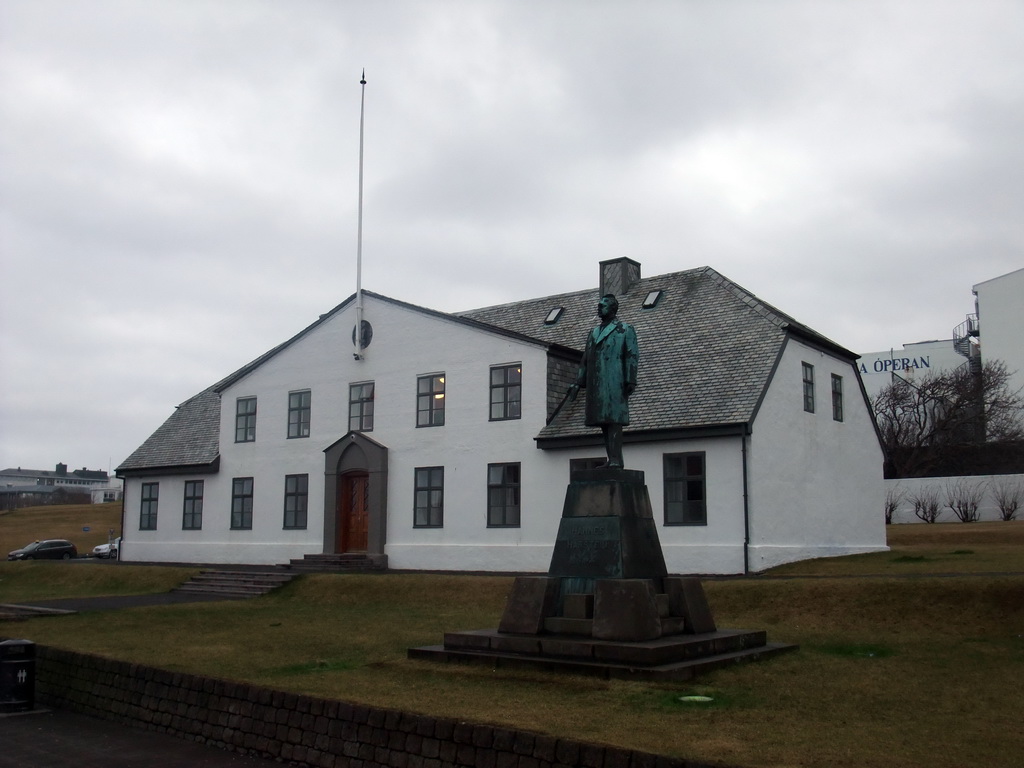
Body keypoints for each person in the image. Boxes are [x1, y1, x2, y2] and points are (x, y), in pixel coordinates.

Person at [568, 294, 638, 468]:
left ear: (613, 308)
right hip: (597, 382)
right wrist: (578, 382)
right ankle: (612, 458)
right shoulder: (593, 332)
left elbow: (631, 355)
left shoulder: (625, 329)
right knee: (603, 421)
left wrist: (630, 379)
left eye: (603, 305)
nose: (599, 308)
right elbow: (585, 359)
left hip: (615, 380)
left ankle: (616, 459)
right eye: (598, 305)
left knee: (614, 419)